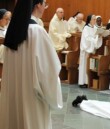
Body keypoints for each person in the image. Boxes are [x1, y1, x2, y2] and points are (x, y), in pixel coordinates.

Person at [0, 0, 63, 129]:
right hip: (32, 100)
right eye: (45, 3)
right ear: (38, 5)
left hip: (13, 98)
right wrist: (52, 94)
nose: (45, 7)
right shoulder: (37, 32)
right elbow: (49, 72)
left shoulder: (11, 32)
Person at [78, 15, 103, 88]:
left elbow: (96, 37)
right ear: (89, 20)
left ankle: (87, 82)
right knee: (84, 66)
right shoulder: (86, 28)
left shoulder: (95, 28)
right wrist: (95, 39)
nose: (95, 21)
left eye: (95, 19)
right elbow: (87, 39)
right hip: (86, 50)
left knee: (88, 66)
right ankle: (82, 82)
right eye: (94, 19)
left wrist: (99, 36)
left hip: (91, 50)